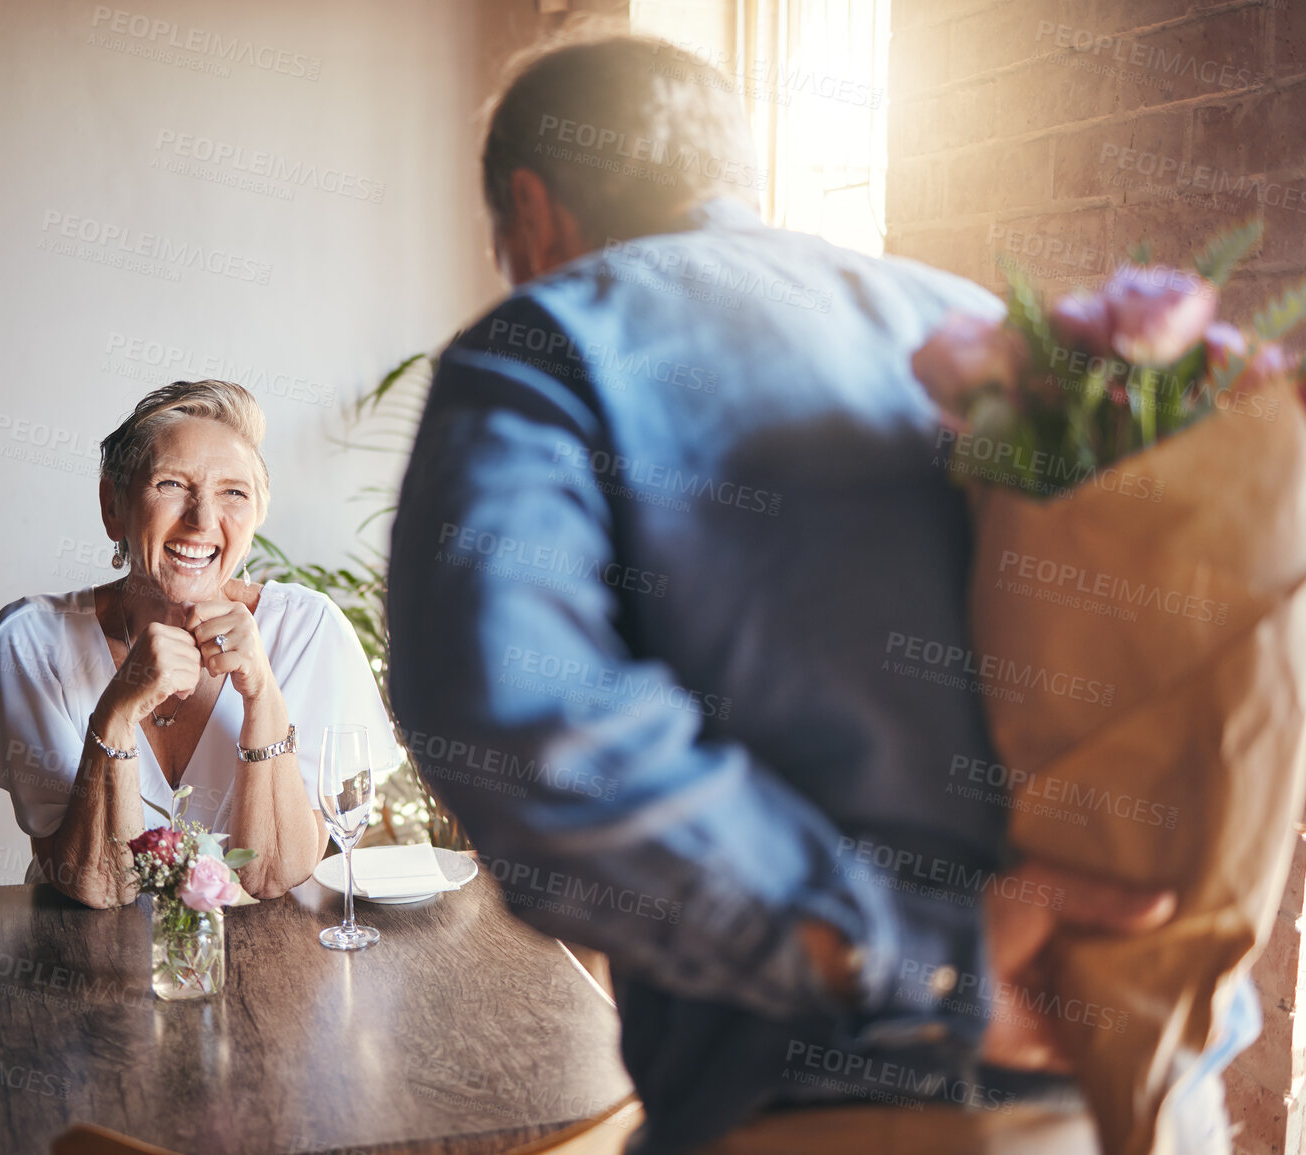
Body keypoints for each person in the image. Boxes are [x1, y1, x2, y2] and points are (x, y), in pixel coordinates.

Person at [387, 35, 1249, 1154]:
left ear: (530, 208)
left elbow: (519, 719)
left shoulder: (550, 342)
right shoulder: (979, 329)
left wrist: (918, 952)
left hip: (857, 1115)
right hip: (1160, 1088)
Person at [0, 380, 396, 907]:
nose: (202, 519)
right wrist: (116, 712)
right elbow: (100, 887)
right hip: (81, 968)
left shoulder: (308, 632)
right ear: (114, 506)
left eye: (234, 492)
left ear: (257, 517)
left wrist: (262, 694)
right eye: (171, 484)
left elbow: (271, 876)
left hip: (267, 967)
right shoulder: (30, 644)